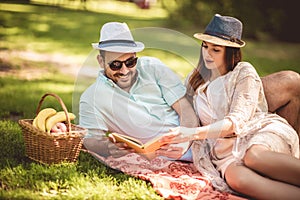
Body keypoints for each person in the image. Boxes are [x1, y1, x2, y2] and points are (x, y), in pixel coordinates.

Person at [158, 14, 300, 199]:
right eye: (205, 47)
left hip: (256, 132)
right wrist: (183, 140)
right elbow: (188, 113)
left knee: (254, 157)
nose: (207, 54)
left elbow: (236, 122)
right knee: (238, 180)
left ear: (231, 52)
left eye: (216, 50)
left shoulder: (243, 73)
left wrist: (193, 134)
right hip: (222, 152)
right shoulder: (195, 79)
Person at [79, 22, 199, 161]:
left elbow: (186, 109)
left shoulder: (153, 67)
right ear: (101, 61)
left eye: (130, 62)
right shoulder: (91, 97)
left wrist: (185, 142)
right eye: (115, 65)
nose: (124, 71)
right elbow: (89, 140)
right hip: (158, 158)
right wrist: (108, 148)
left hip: (193, 143)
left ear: (136, 56)